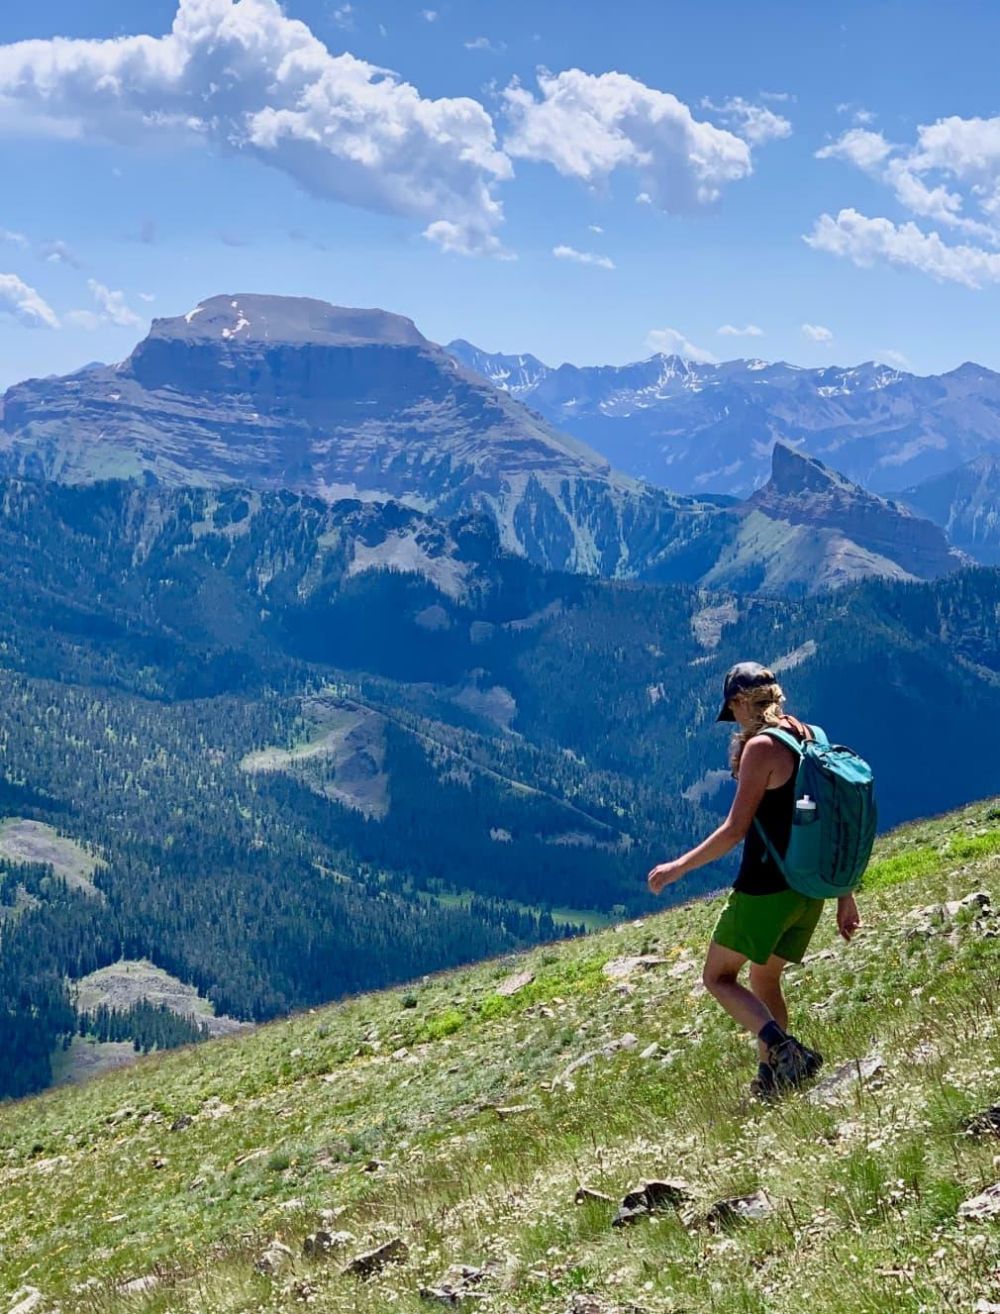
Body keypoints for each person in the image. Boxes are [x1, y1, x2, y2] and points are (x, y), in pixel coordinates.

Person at [646, 662, 861, 1097]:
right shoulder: (810, 736)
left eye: (732, 709)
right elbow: (832, 822)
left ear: (739, 702)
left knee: (718, 978)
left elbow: (734, 830)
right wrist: (844, 894)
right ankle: (773, 1079)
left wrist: (677, 868)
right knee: (764, 980)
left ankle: (787, 1052)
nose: (733, 718)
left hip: (766, 888)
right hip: (809, 888)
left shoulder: (760, 748)